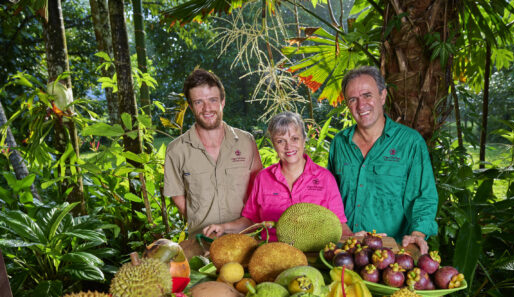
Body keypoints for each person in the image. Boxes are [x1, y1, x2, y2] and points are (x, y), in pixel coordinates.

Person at [327, 66, 438, 254]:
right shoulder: (340, 143)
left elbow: (423, 197)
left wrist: (418, 234)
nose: (361, 105)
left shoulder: (410, 142)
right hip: (345, 250)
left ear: (383, 96)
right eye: (353, 99)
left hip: (392, 254)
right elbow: (329, 196)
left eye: (367, 95)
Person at [203, 111, 352, 239]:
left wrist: (355, 239)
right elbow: (251, 221)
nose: (289, 147)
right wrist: (224, 227)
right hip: (271, 253)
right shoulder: (263, 178)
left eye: (294, 138)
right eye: (281, 141)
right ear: (273, 144)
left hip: (313, 257)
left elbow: (338, 223)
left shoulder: (325, 178)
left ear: (304, 139)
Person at [163, 69, 262, 237]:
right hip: (202, 242)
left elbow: (260, 188)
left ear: (222, 101)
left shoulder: (246, 142)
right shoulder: (176, 150)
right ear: (190, 106)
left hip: (246, 237)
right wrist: (201, 221)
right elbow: (178, 197)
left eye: (213, 100)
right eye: (199, 102)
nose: (207, 108)